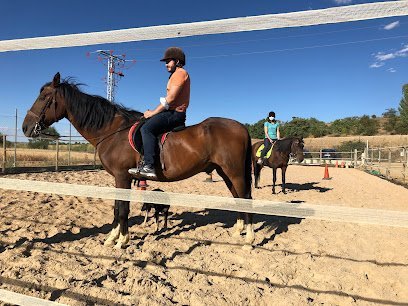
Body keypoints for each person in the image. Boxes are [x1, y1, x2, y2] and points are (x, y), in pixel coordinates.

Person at [128, 47, 190, 179]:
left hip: (174, 114)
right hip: (172, 112)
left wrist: (153, 113)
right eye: (165, 62)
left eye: (169, 61)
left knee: (146, 129)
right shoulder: (176, 74)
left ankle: (149, 166)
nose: (166, 64)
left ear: (177, 61)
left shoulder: (179, 73)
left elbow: (171, 98)